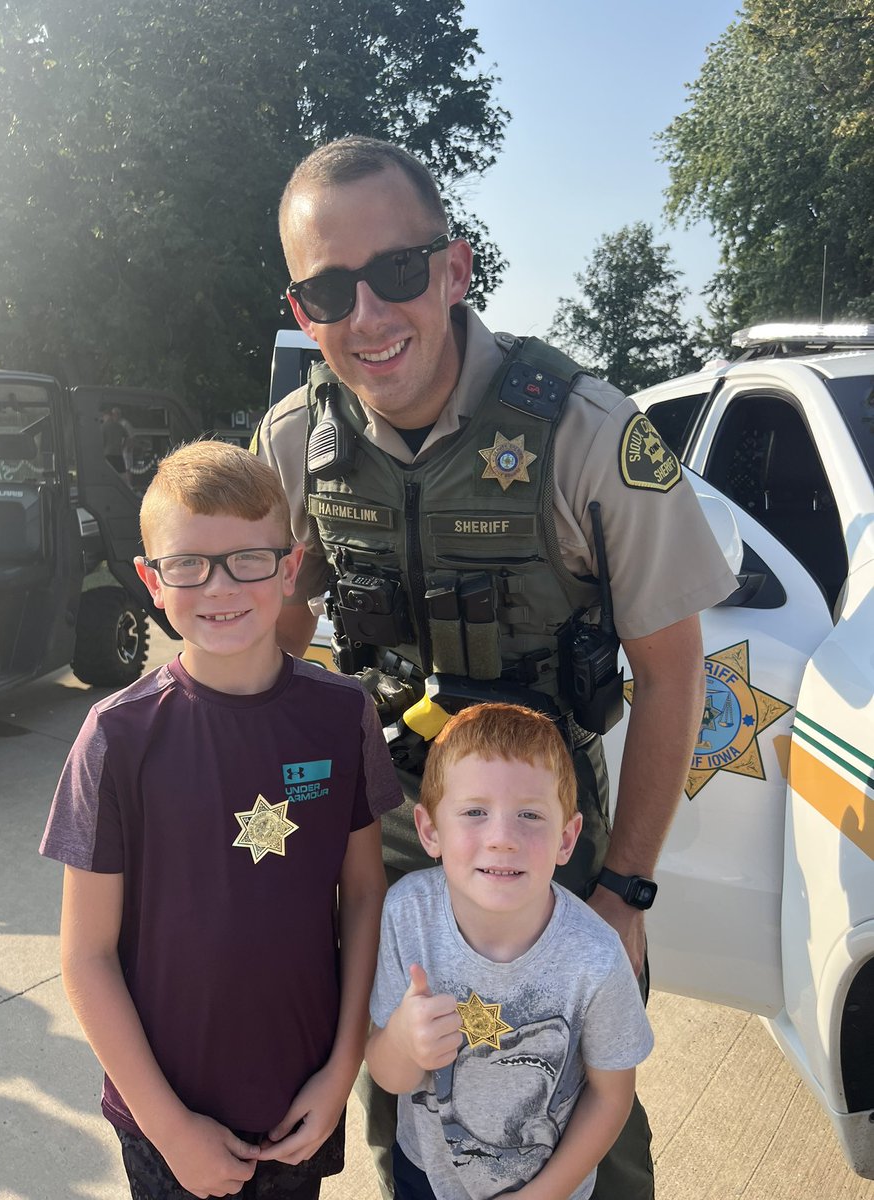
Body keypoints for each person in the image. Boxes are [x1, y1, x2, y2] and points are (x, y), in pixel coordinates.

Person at [253, 135, 737, 1198]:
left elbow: (673, 674)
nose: (369, 316)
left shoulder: (581, 431)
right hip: (392, 815)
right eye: (330, 290)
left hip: (546, 822)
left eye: (395, 272)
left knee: (576, 1090)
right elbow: (270, 653)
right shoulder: (297, 444)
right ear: (302, 313)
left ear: (455, 268)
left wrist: (623, 894)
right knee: (410, 1083)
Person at [40, 440, 403, 1200]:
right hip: (165, 1119)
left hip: (302, 1097)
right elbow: (86, 957)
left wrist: (343, 1070)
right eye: (188, 564)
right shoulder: (117, 737)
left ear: (291, 565)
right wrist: (170, 1127)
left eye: (248, 558)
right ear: (150, 578)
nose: (219, 585)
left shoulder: (343, 716)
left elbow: (365, 896)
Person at [367, 703, 654, 1200]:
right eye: (475, 812)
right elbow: (390, 1077)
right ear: (430, 830)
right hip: (428, 1179)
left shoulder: (596, 958)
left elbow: (611, 1098)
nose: (502, 839)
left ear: (567, 838)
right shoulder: (406, 913)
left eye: (530, 815)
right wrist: (401, 1041)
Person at [102, 405, 135, 484]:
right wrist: (122, 447)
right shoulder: (119, 426)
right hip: (118, 454)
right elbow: (128, 437)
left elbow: (102, 441)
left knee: (109, 473)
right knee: (122, 474)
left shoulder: (103, 427)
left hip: (108, 454)